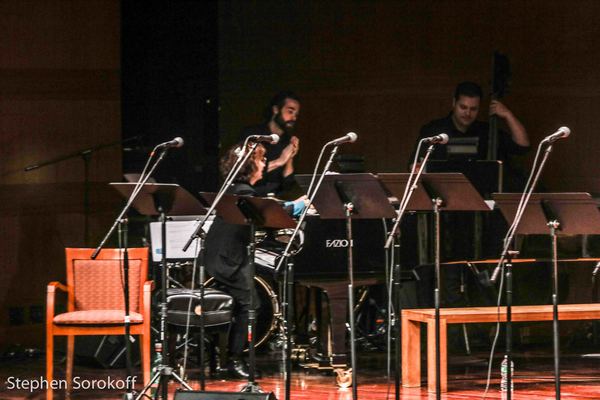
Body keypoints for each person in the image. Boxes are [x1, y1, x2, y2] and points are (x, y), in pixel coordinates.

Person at [204, 142, 305, 379]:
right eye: (260, 160)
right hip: (230, 260)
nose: (264, 164)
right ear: (249, 166)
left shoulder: (234, 189)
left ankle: (225, 359)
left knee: (241, 305)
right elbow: (270, 215)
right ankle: (235, 361)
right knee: (251, 305)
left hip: (219, 256)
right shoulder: (244, 193)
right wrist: (299, 205)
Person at [413, 81, 529, 163]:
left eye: (473, 109)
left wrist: (508, 115)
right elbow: (414, 165)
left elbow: (522, 146)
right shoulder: (434, 130)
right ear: (454, 103)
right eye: (463, 107)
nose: (468, 113)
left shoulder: (486, 132)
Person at [240, 90, 301, 197]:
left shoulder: (288, 140)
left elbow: (287, 184)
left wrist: (290, 158)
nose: (294, 118)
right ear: (276, 109)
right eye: (290, 112)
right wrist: (280, 161)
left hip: (275, 199)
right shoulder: (253, 135)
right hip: (250, 195)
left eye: (296, 114)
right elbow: (245, 173)